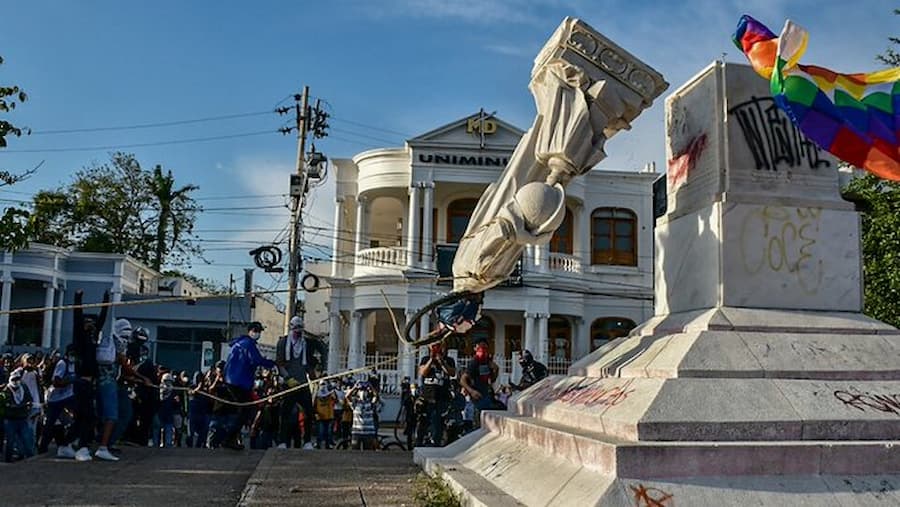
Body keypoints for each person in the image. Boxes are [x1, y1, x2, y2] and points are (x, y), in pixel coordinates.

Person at [209, 322, 276, 449]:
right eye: (256, 330)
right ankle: (229, 439)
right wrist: (272, 363)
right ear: (250, 330)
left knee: (236, 411)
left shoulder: (238, 344)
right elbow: (256, 360)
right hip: (240, 382)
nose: (258, 334)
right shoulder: (248, 344)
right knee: (245, 411)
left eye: (259, 331)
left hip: (231, 381)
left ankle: (230, 439)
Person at [70, 289, 110, 462]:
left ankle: (66, 444)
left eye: (91, 323)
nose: (90, 324)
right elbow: (77, 316)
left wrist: (106, 300)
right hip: (81, 381)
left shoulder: (93, 339)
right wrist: (78, 298)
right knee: (88, 417)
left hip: (89, 383)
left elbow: (102, 318)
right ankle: (82, 448)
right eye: (87, 322)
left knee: (82, 418)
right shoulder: (80, 338)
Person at [274, 316, 324, 450]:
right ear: (291, 328)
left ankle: (307, 441)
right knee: (285, 413)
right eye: (296, 330)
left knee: (308, 412)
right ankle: (282, 441)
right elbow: (279, 363)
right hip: (289, 384)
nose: (298, 333)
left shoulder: (305, 344)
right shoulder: (283, 342)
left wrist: (314, 377)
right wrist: (287, 378)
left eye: (300, 330)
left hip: (302, 383)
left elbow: (307, 365)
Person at [39, 345, 78, 455]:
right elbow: (56, 382)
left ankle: (67, 442)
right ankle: (42, 448)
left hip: (68, 396)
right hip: (56, 398)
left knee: (80, 416)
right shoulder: (62, 364)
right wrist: (70, 381)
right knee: (50, 423)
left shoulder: (74, 365)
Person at [417, 343, 456, 446]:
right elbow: (423, 372)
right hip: (427, 397)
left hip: (442, 397)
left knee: (438, 422)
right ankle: (419, 443)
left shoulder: (449, 360)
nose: (437, 348)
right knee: (423, 421)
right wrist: (431, 360)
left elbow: (452, 373)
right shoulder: (425, 359)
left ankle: (436, 444)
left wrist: (441, 361)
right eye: (434, 346)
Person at [459, 339, 499, 429]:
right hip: (477, 397)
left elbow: (491, 379)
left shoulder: (487, 362)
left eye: (485, 347)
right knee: (478, 424)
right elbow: (462, 380)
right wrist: (472, 391)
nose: (483, 350)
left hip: (487, 394)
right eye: (480, 347)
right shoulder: (474, 362)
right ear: (475, 349)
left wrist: (496, 370)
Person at [2, 368, 34, 462]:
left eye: (17, 379)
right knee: (10, 442)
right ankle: (8, 460)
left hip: (22, 418)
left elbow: (29, 398)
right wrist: (23, 405)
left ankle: (30, 458)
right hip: (10, 420)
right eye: (13, 379)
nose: (16, 381)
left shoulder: (23, 387)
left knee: (27, 440)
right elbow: (9, 405)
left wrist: (29, 404)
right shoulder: (6, 390)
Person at [347, 381, 378, 450]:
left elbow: (376, 396)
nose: (363, 392)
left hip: (368, 432)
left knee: (368, 453)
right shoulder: (355, 404)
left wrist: (371, 387)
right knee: (355, 451)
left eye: (364, 391)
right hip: (357, 432)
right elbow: (347, 396)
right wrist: (354, 387)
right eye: (361, 391)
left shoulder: (370, 404)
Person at [314, 381, 336, 449]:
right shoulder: (316, 395)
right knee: (320, 432)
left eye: (324, 384)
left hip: (329, 416)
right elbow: (314, 404)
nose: (323, 386)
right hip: (320, 416)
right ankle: (318, 444)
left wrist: (331, 389)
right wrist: (315, 413)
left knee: (328, 433)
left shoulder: (330, 394)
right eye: (321, 384)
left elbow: (335, 398)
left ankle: (327, 445)